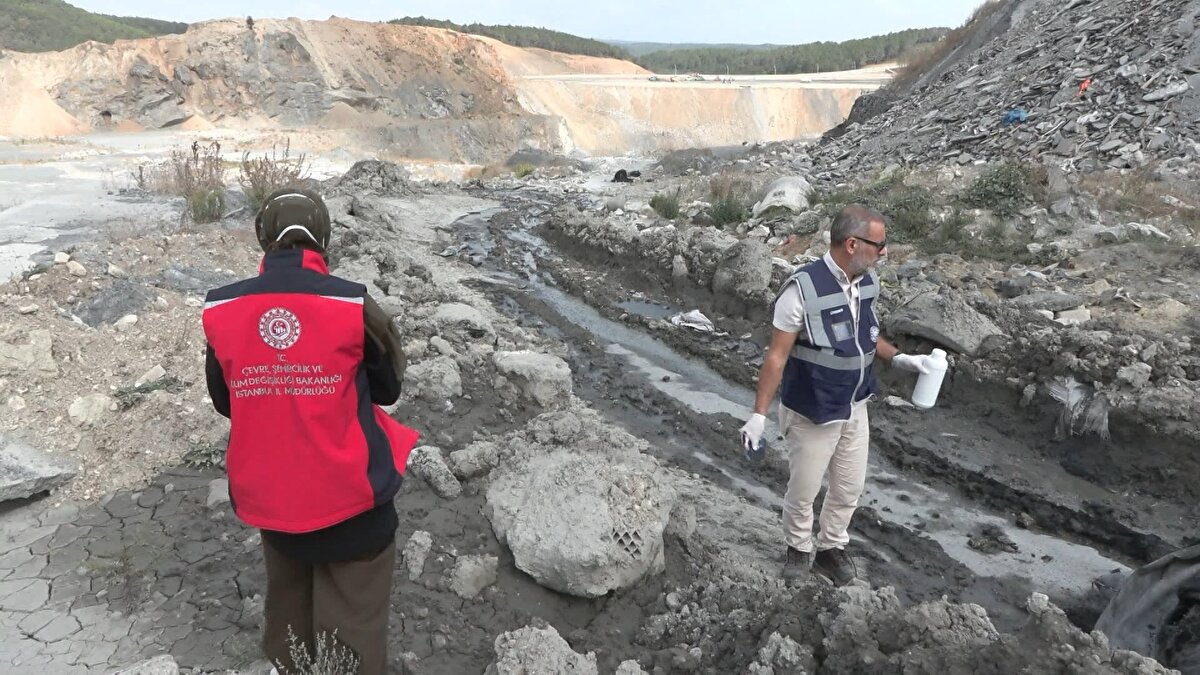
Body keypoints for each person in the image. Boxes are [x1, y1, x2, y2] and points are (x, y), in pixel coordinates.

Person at [202, 188, 418, 674]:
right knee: (353, 639)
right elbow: (388, 390)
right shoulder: (353, 304)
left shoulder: (222, 309)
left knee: (290, 627)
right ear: (323, 239)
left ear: (263, 240)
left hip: (274, 509)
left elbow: (225, 401)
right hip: (353, 505)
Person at [739, 205, 938, 587]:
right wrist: (759, 414)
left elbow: (863, 336)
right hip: (813, 409)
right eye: (879, 245)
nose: (884, 253)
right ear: (852, 244)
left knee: (848, 488)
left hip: (854, 404)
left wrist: (902, 359)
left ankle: (830, 550)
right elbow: (777, 356)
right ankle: (797, 551)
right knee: (804, 489)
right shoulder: (801, 291)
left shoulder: (865, 283)